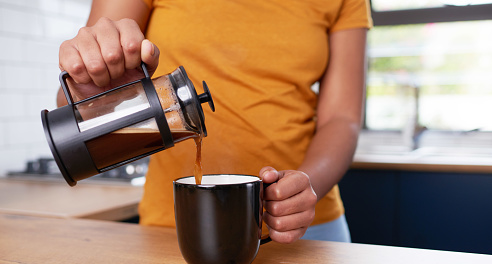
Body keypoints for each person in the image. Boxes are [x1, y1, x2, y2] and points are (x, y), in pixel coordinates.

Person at [57, 0, 372, 244]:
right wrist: (94, 86)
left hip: (303, 227)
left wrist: (306, 186)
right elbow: (70, 101)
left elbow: (342, 119)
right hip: (176, 229)